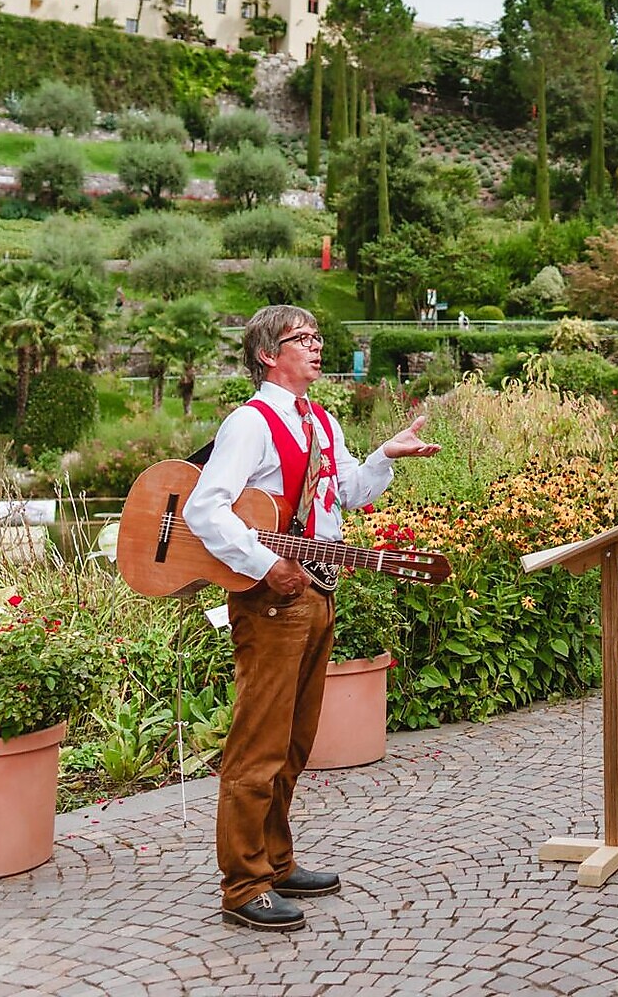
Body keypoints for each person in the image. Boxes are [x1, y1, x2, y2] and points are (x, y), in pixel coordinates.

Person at [184, 304, 441, 932]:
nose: (317, 347)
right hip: (271, 598)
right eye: (303, 339)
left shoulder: (319, 421)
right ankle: (244, 884)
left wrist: (387, 453)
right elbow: (204, 508)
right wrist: (263, 562)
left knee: (295, 742)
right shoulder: (251, 422)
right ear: (270, 354)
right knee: (259, 743)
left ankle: (276, 859)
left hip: (317, 590)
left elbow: (346, 492)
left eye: (319, 337)